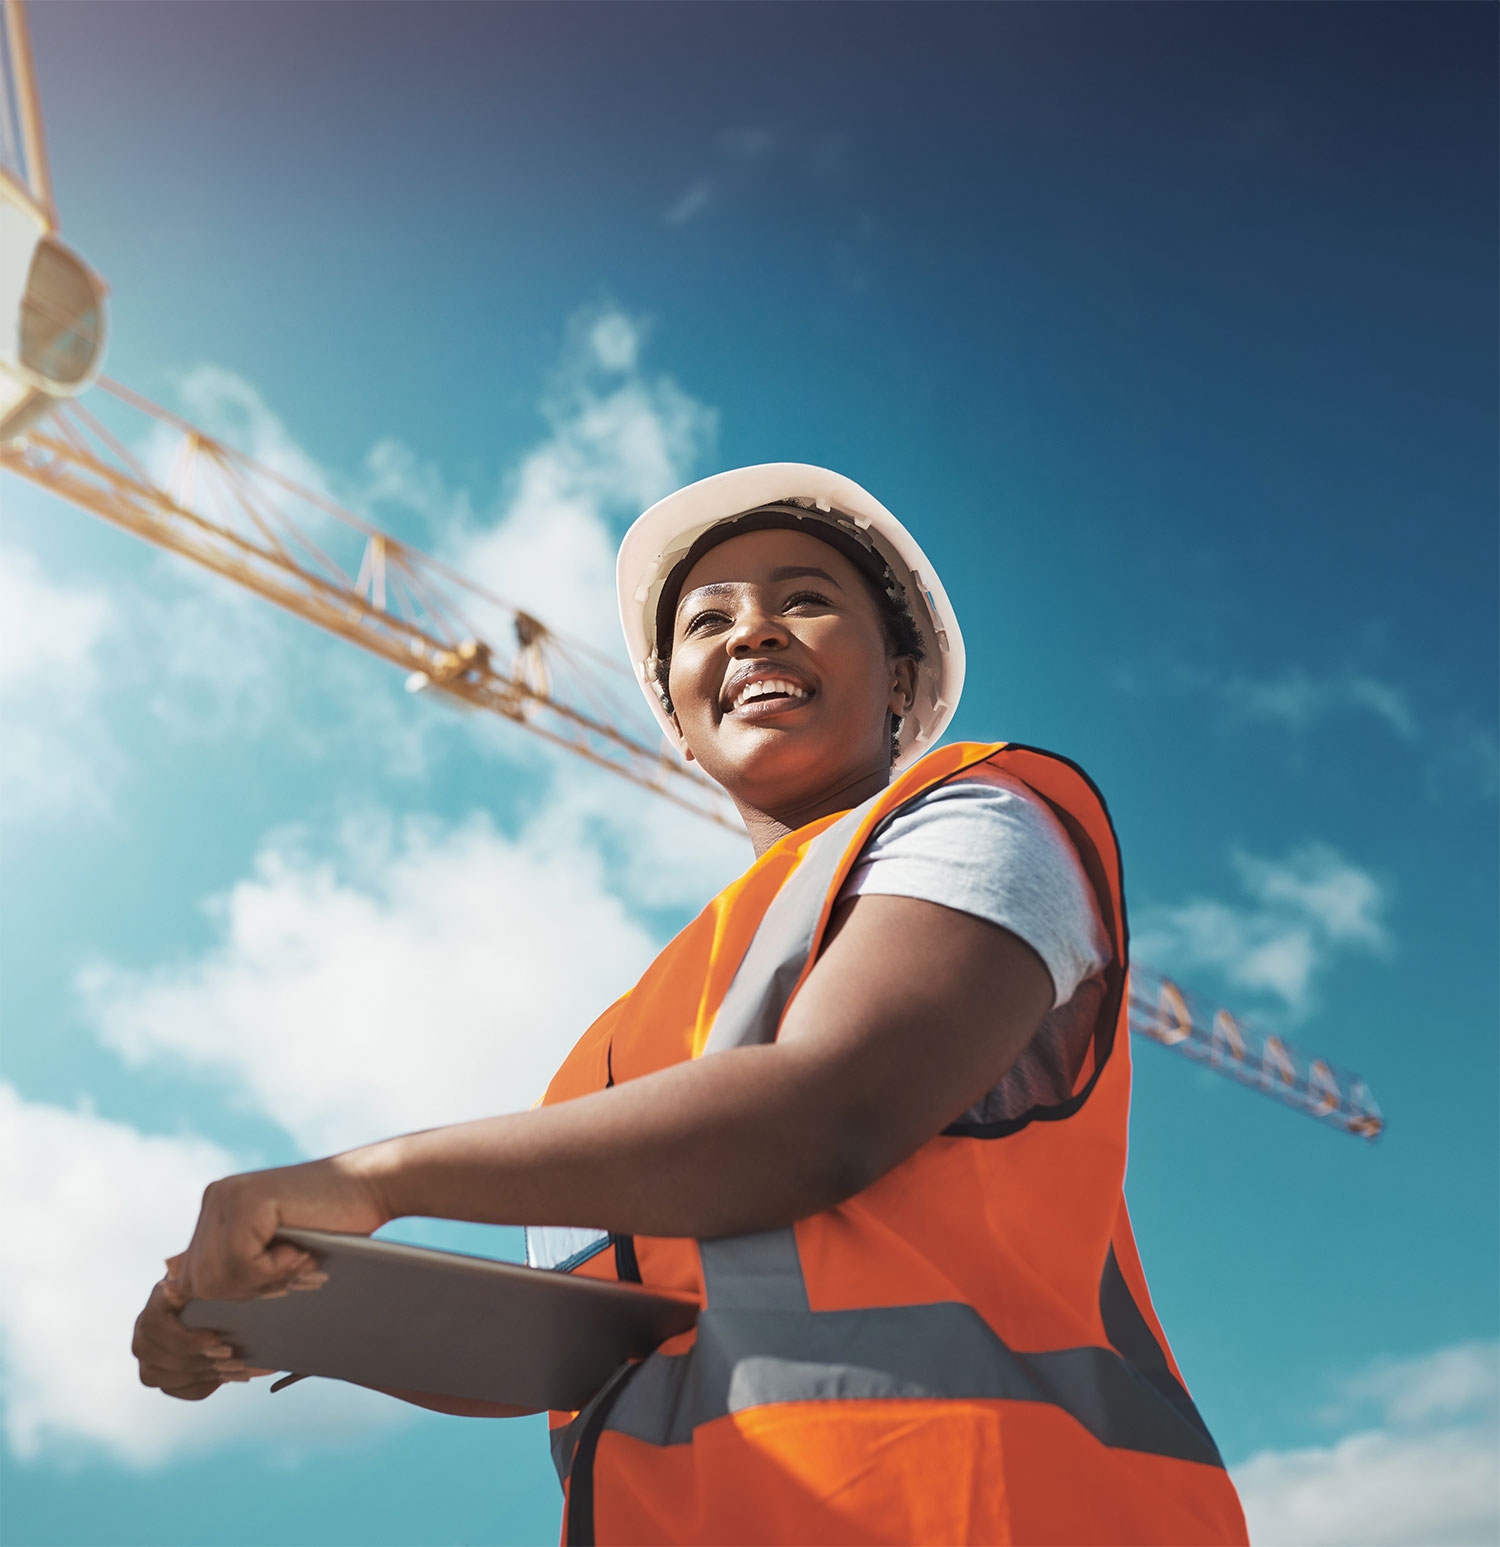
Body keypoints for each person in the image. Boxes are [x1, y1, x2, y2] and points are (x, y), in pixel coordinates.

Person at [133, 465, 1249, 1545]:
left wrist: (372, 1178)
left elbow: (827, 1115)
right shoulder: (623, 1045)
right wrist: (269, 1312)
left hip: (984, 1511)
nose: (752, 632)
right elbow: (574, 1351)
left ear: (904, 680)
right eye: (708, 622)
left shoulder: (982, 817)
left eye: (805, 600)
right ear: (674, 715)